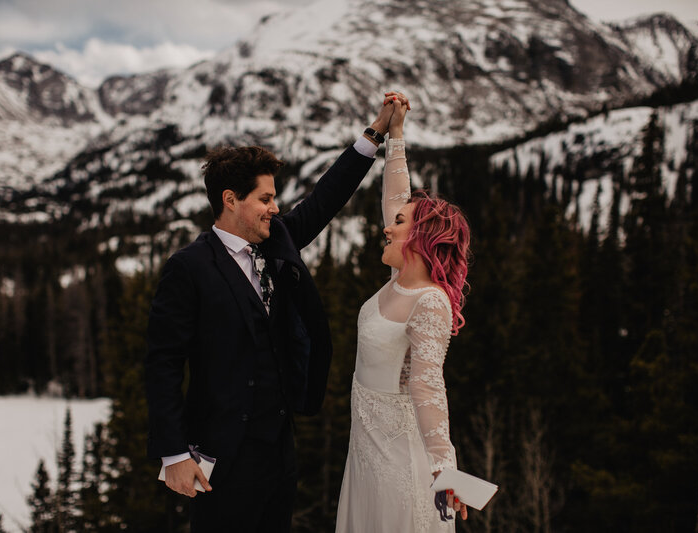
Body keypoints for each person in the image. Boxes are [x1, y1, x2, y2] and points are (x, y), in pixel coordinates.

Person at [144, 98, 396, 533]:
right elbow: (162, 362)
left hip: (279, 452)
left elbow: (324, 199)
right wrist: (174, 455)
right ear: (230, 200)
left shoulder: (276, 240)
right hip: (219, 458)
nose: (274, 208)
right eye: (265, 198)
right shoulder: (188, 267)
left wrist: (374, 133)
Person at [335, 94, 471, 532]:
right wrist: (395, 135)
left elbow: (428, 387)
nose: (387, 226)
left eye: (399, 223)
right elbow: (396, 193)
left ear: (422, 238)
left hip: (400, 459)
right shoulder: (398, 283)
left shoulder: (429, 301)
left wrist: (443, 468)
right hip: (366, 452)